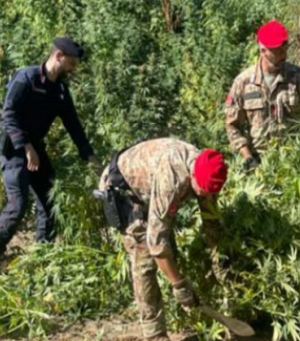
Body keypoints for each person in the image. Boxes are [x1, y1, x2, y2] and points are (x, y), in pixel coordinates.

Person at [0, 37, 103, 275]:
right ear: (58, 56)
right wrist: (25, 146)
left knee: (50, 203)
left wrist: (90, 157)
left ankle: (41, 258)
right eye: (72, 62)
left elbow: (73, 126)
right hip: (14, 150)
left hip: (35, 149)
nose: (74, 68)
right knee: (17, 204)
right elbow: (8, 114)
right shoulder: (26, 78)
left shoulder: (61, 90)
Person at [98, 138, 228, 341]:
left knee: (168, 250)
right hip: (123, 191)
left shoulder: (209, 169)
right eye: (203, 193)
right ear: (193, 178)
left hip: (149, 187)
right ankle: (154, 333)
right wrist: (179, 285)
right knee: (145, 262)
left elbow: (211, 218)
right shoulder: (172, 181)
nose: (208, 198)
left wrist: (218, 259)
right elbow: (156, 244)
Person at [224, 20, 300, 171]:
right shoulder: (244, 82)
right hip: (260, 164)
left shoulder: (296, 76)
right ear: (263, 50)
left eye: (284, 49)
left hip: (293, 161)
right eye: (278, 51)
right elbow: (232, 124)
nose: (284, 55)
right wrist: (248, 157)